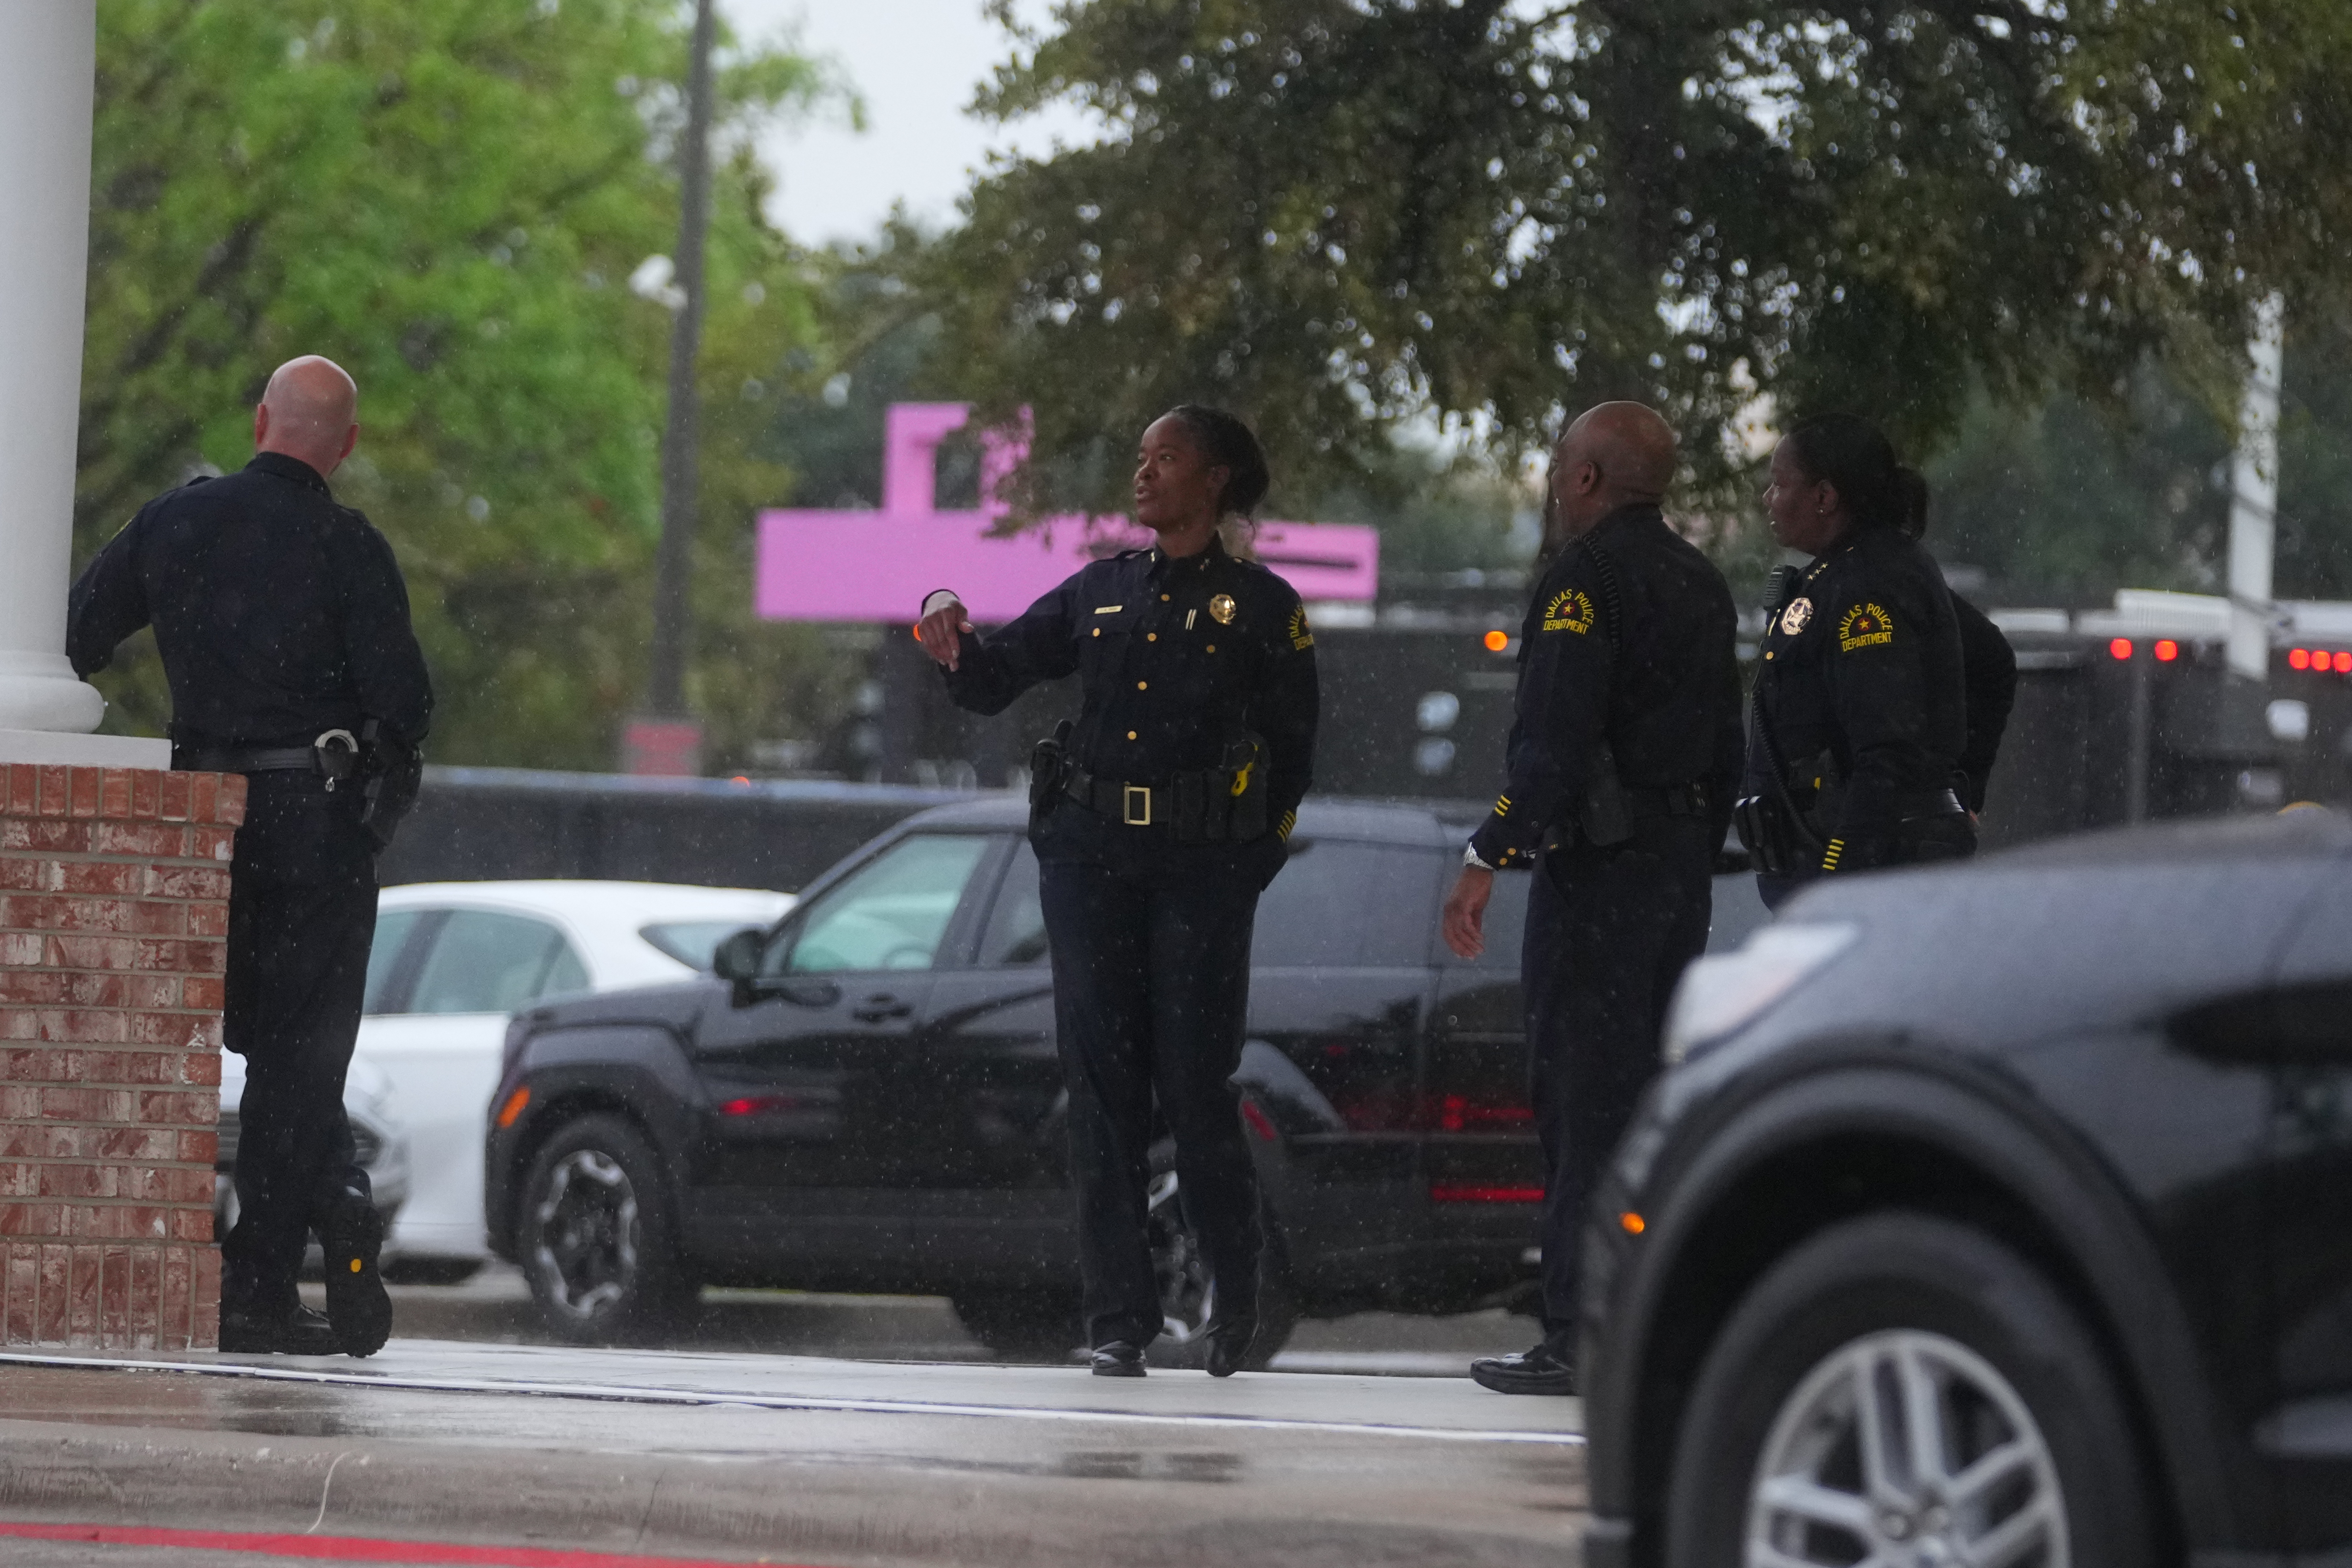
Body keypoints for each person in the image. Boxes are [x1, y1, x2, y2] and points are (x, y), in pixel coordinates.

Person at [914, 406, 1315, 1378]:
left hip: (1198, 871)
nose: (1143, 476)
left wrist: (1239, 868)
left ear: (1215, 479)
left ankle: (1235, 1301)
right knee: (1100, 1095)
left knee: (1195, 1086)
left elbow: (1294, 760)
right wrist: (947, 622)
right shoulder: (1101, 590)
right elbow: (996, 674)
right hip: (1090, 861)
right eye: (1139, 459)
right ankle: (1116, 1321)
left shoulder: (1264, 609)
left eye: (1165, 460)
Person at [68, 356, 433, 1358]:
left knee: (233, 1039)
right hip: (313, 813)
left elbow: (74, 634)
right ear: (345, 445)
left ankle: (278, 1249)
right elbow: (404, 704)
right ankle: (269, 1275)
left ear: (260, 418)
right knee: (299, 1059)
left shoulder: (173, 523)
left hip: (200, 817)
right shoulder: (348, 544)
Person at [1441, 403, 1742, 1396]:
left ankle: (1576, 1332)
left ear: (1584, 481)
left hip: (1600, 877)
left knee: (1581, 1100)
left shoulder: (1585, 579)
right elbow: (1728, 739)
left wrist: (1493, 847)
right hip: (1677, 874)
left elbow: (1555, 735)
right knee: (1648, 1104)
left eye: (1558, 464)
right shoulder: (1702, 581)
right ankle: (1649, 1318)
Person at [1737, 413, 1972, 911]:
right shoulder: (1853, 569)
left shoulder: (1868, 584)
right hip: (1845, 860)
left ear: (1825, 497)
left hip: (1870, 871)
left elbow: (1889, 750)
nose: (1769, 500)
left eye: (1780, 484)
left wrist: (1842, 872)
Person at [1898, 479, 2018, 819]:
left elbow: (1994, 659)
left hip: (1877, 826)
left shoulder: (1899, 579)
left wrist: (1963, 785)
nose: (1770, 498)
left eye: (1782, 484)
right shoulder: (1836, 578)